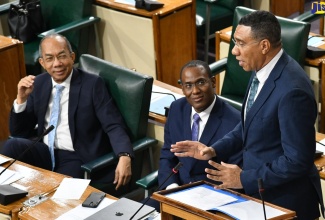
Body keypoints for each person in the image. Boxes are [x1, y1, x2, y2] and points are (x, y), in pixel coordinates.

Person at [171, 10, 325, 219]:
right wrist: (213, 150)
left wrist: (245, 178)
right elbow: (248, 125)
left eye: (241, 43)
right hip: (259, 198)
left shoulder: (292, 91)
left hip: (286, 204)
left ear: (264, 46)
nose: (234, 51)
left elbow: (297, 160)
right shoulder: (261, 69)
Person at [1, 34, 133, 195]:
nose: (57, 64)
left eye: (62, 56)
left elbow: (113, 125)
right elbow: (18, 133)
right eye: (49, 58)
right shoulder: (39, 83)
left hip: (75, 156)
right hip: (45, 150)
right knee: (11, 146)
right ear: (42, 63)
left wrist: (124, 155)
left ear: (72, 57)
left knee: (58, 194)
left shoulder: (92, 85)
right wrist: (21, 99)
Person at [146, 60, 241, 211]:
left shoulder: (235, 121)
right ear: (182, 88)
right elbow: (167, 156)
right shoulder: (176, 108)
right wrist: (173, 189)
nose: (195, 91)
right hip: (174, 193)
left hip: (211, 202)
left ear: (213, 82)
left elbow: (233, 176)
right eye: (188, 85)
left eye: (201, 82)